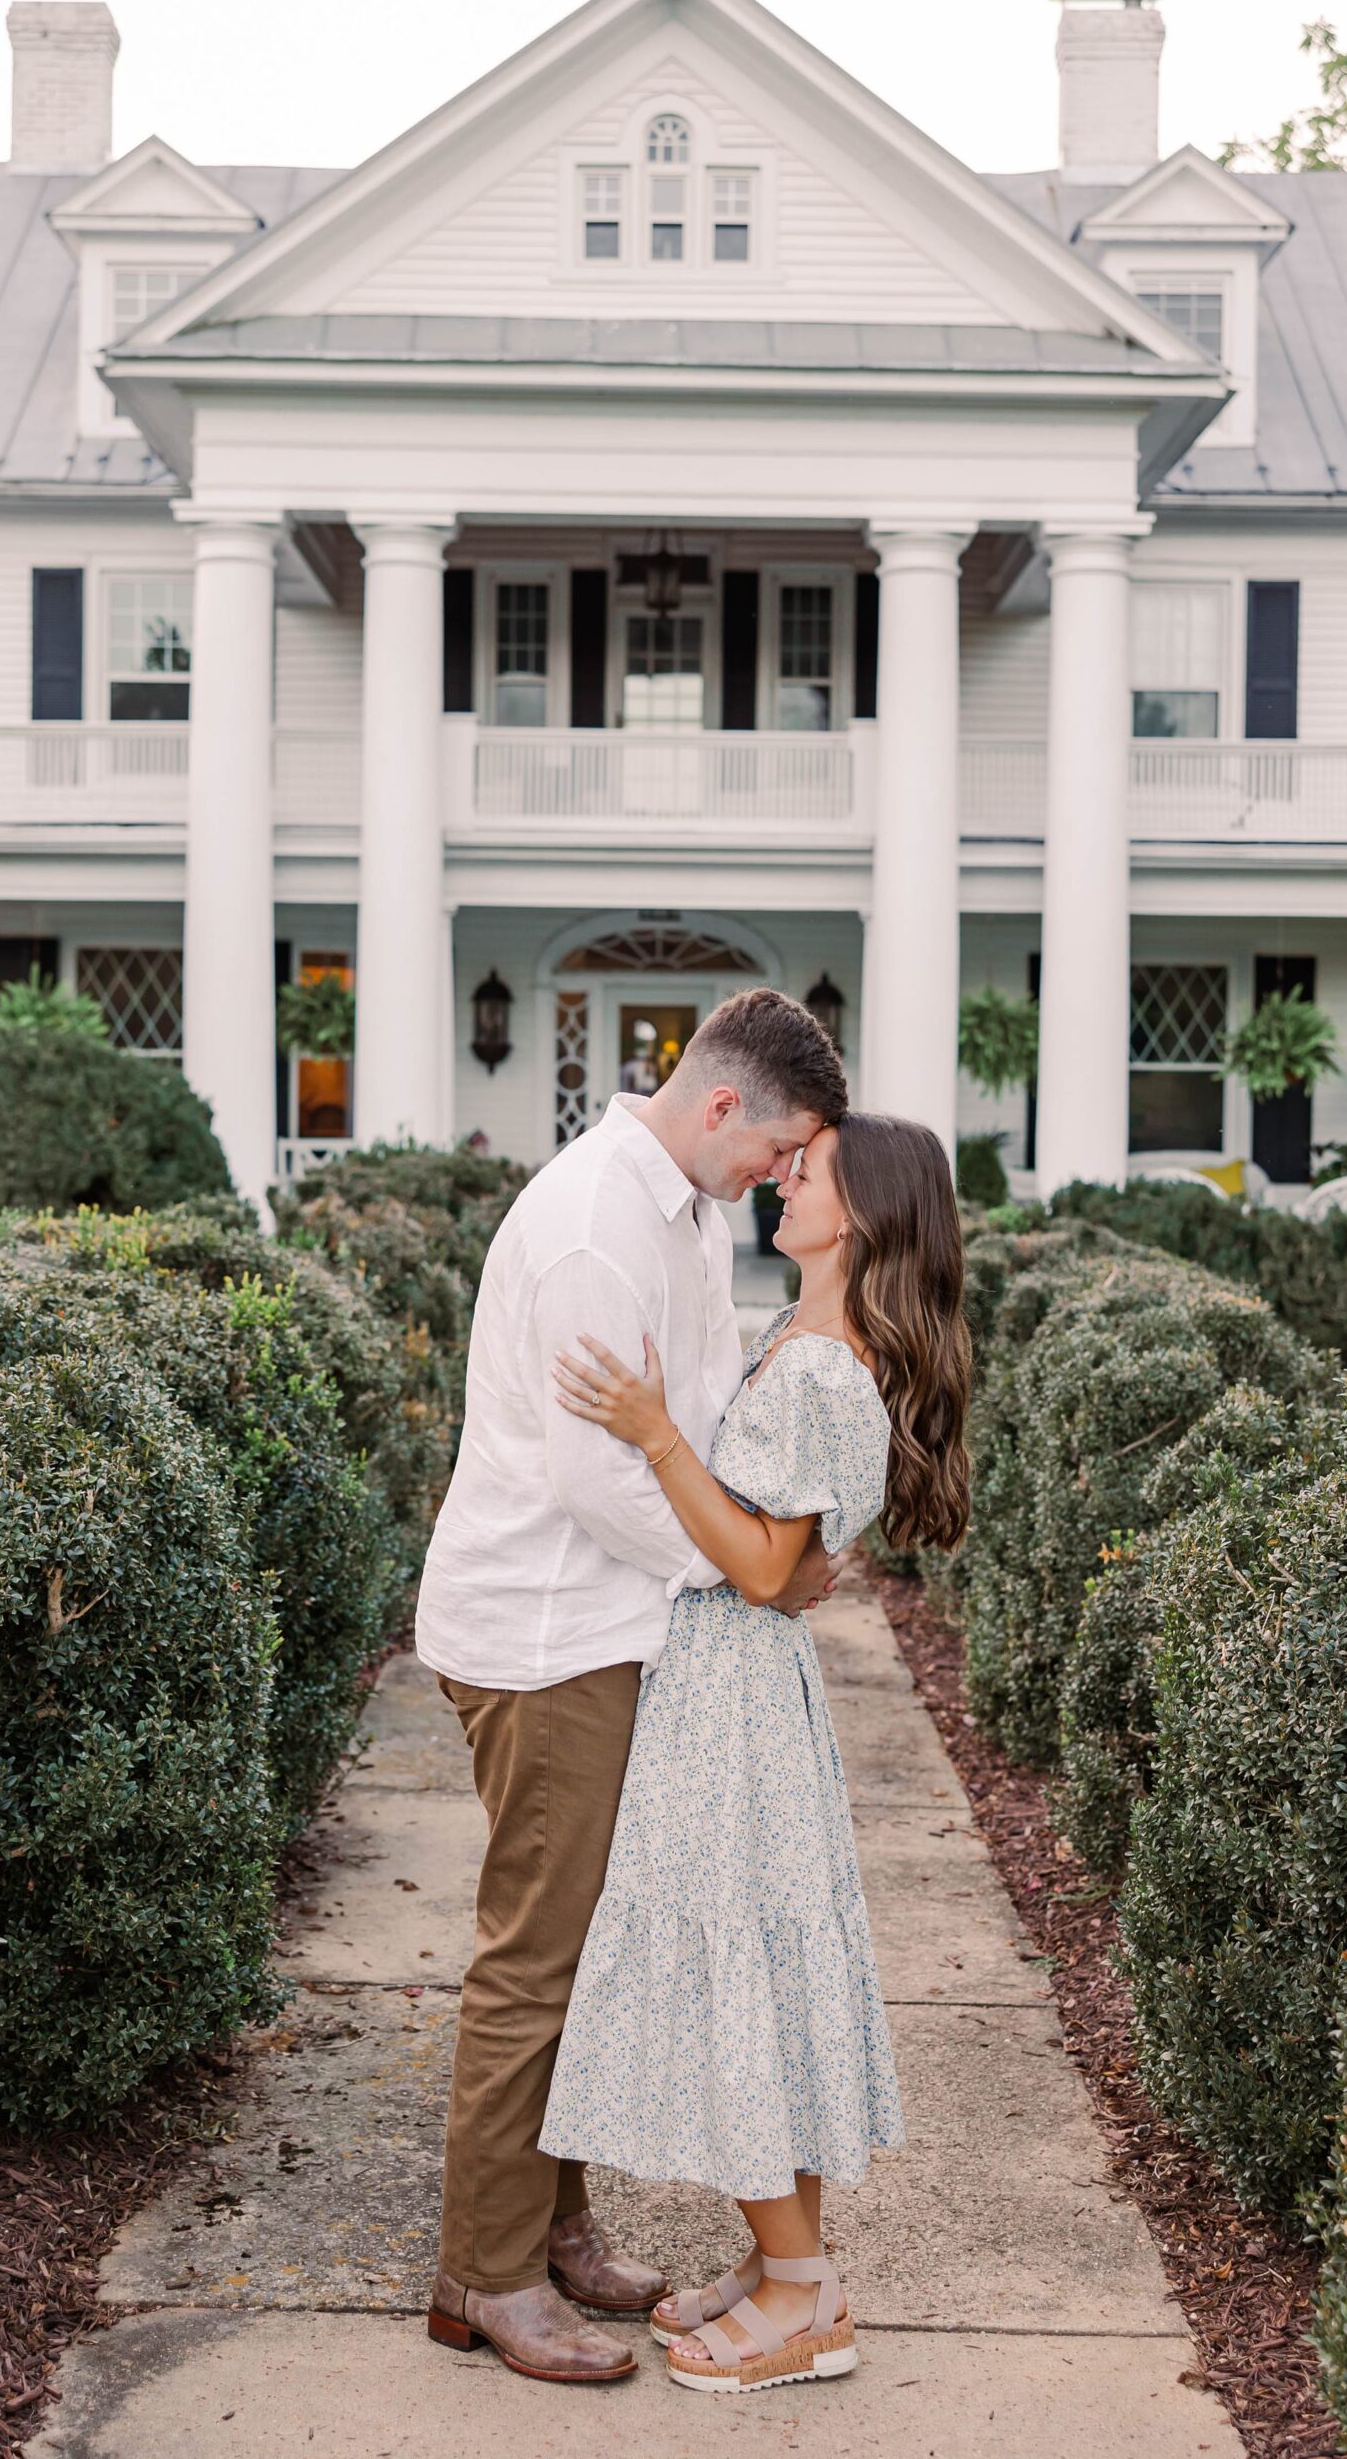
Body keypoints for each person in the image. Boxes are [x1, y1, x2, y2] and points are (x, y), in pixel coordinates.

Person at [417, 988, 849, 2386]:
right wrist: (746, 1572)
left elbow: (700, 1420)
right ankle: (480, 2278)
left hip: (619, 1623)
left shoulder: (678, 1208)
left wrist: (765, 1537)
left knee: (580, 1950)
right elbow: (596, 1476)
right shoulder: (599, 1226)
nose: (774, 1180)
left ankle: (555, 2228)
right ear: (720, 1105)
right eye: (772, 1154)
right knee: (536, 1959)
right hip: (550, 1632)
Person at [539, 1111, 972, 2395]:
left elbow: (767, 1564)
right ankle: (791, 2267)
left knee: (738, 1981)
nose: (785, 1178)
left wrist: (651, 1424)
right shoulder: (812, 1336)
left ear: (864, 1216)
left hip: (731, 1701)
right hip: (739, 1690)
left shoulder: (825, 1363)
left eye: (811, 1171)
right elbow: (788, 1560)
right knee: (761, 1977)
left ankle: (801, 2297)